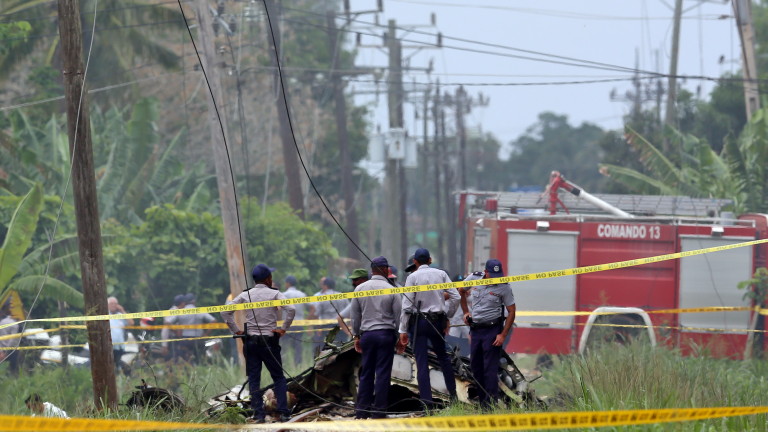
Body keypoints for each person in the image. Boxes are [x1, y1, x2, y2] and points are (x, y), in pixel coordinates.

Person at [221, 264, 295, 424]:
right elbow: (291, 309)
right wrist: (283, 329)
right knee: (279, 378)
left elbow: (225, 311)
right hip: (269, 341)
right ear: (268, 279)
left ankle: (259, 415)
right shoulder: (275, 293)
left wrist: (236, 330)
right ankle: (284, 413)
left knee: (254, 379)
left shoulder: (245, 294)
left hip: (250, 342)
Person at [398, 248, 460, 406]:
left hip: (419, 323)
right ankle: (453, 397)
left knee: (422, 362)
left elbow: (406, 307)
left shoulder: (412, 277)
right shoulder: (441, 274)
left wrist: (403, 330)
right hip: (437, 321)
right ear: (430, 260)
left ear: (415, 262)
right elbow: (456, 296)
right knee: (444, 359)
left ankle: (427, 402)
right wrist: (447, 315)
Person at [350, 257, 403, 419]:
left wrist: (356, 336)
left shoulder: (360, 289)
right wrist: (399, 337)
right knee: (382, 374)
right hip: (385, 336)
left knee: (366, 372)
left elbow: (355, 316)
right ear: (387, 270)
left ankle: (362, 411)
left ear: (371, 270)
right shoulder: (391, 289)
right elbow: (398, 316)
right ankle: (379, 412)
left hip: (367, 335)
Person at [460, 259, 516, 407]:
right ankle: (482, 400)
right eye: (492, 274)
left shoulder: (504, 287)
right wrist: (466, 312)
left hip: (493, 330)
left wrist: (503, 334)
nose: (495, 278)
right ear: (485, 272)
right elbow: (461, 291)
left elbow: (511, 311)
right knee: (476, 367)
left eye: (498, 274)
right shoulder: (474, 278)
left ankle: (490, 404)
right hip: (476, 330)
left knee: (489, 369)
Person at [174, 293, 217, 362]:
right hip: (198, 339)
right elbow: (213, 321)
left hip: (185, 340)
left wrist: (176, 332)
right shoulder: (200, 310)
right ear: (194, 301)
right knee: (199, 359)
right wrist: (206, 334)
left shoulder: (181, 311)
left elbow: (169, 322)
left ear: (185, 302)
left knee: (185, 360)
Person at [282, 275, 307, 366]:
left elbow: (278, 309)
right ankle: (298, 364)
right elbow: (312, 307)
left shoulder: (284, 295)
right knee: (298, 345)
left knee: (284, 345)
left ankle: (284, 364)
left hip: (287, 324)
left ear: (288, 283)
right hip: (299, 324)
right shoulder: (302, 294)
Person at [337, 269, 370, 337]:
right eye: (353, 280)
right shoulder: (357, 298)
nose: (353, 283)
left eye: (355, 280)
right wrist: (351, 333)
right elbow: (340, 318)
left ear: (364, 280)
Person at [108, 296, 134, 370]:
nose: (113, 305)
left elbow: (131, 323)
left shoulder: (120, 315)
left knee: (118, 366)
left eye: (115, 303)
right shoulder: (104, 315)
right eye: (111, 303)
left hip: (120, 346)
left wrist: (122, 310)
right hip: (108, 346)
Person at [0, 299, 22, 374]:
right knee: (14, 368)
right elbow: (12, 339)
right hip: (12, 350)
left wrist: (1, 352)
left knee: (3, 370)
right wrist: (6, 351)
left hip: (2, 349)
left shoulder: (2, 322)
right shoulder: (14, 324)